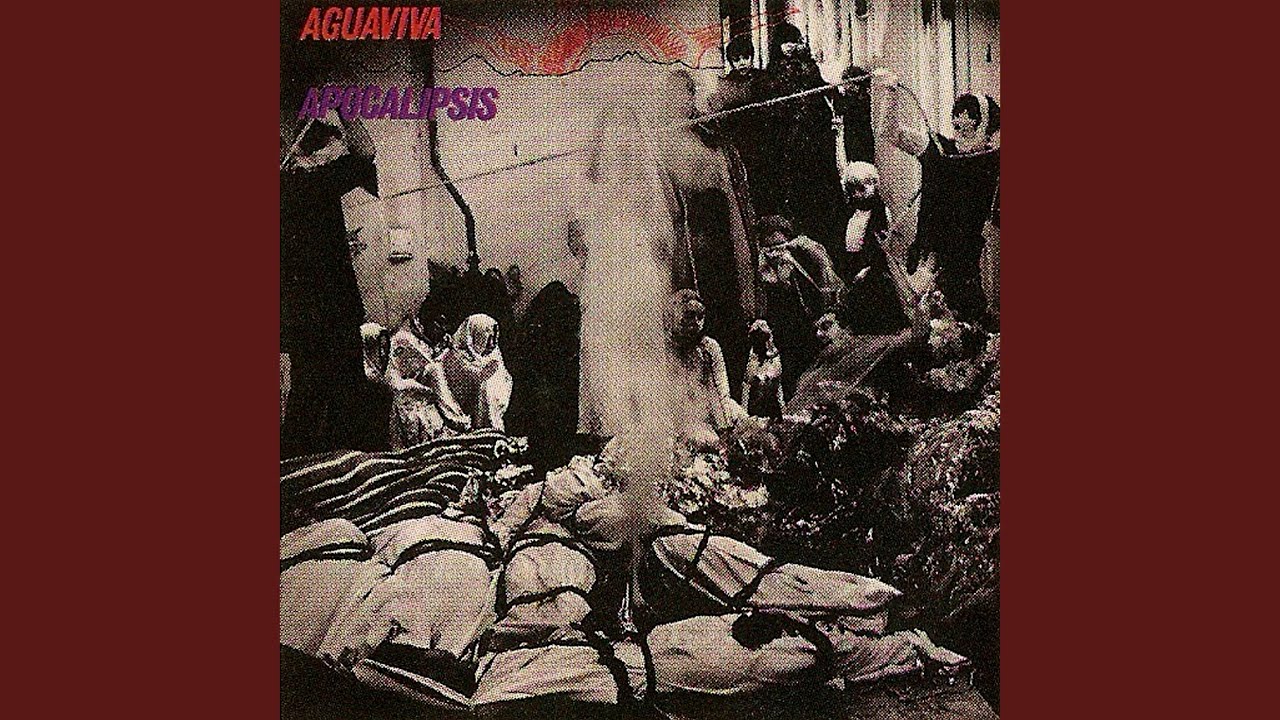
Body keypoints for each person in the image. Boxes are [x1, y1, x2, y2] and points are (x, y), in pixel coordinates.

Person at [280, 111, 379, 458]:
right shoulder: (309, 184)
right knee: (337, 399)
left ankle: (300, 471)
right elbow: (365, 153)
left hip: (306, 319)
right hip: (328, 314)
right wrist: (344, 107)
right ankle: (343, 467)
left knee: (312, 400)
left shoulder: (305, 183)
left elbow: (362, 155)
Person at [877, 71, 1001, 325]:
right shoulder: (937, 150)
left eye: (970, 124)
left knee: (966, 326)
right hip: (928, 259)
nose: (961, 128)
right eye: (958, 123)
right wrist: (890, 92)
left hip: (965, 265)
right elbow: (889, 132)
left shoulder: (993, 161)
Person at [762, 23, 847, 258]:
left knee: (819, 190)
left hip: (813, 142)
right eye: (785, 42)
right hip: (788, 145)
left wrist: (834, 92)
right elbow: (770, 109)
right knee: (794, 193)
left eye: (793, 41)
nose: (790, 46)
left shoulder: (808, 67)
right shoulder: (772, 73)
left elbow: (820, 92)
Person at [755, 215, 845, 395]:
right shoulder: (763, 272)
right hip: (785, 338)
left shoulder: (802, 260)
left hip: (811, 331)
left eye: (779, 246)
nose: (775, 254)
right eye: (770, 248)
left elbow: (825, 287)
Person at [838, 162, 910, 334]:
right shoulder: (852, 213)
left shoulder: (879, 212)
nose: (857, 194)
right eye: (853, 190)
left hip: (873, 270)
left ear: (873, 185)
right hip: (855, 264)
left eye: (861, 189)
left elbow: (880, 249)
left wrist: (866, 270)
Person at [385, 306, 471, 450]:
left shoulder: (419, 338)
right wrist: (459, 421)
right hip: (410, 406)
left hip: (419, 400)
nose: (444, 330)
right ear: (430, 321)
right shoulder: (405, 339)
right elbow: (431, 372)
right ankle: (458, 420)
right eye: (441, 324)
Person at [708, 36, 774, 215]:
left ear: (752, 56)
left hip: (763, 136)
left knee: (767, 178)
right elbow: (721, 110)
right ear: (731, 62)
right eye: (736, 60)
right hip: (742, 139)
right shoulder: (727, 83)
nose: (742, 63)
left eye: (746, 57)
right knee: (748, 179)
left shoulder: (763, 78)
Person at [442, 314, 513, 432]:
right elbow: (471, 380)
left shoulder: (492, 357)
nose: (492, 344)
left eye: (494, 338)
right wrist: (483, 375)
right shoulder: (454, 355)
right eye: (488, 338)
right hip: (462, 416)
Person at [833, 65, 876, 164]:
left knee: (863, 162)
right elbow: (839, 109)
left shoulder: (863, 97)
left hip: (862, 137)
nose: (845, 86)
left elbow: (850, 107)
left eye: (847, 83)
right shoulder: (847, 96)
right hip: (850, 137)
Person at [741, 320, 784, 419]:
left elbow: (778, 385)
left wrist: (783, 409)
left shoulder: (775, 359)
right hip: (754, 411)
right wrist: (744, 414)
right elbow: (746, 387)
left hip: (772, 409)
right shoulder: (751, 361)